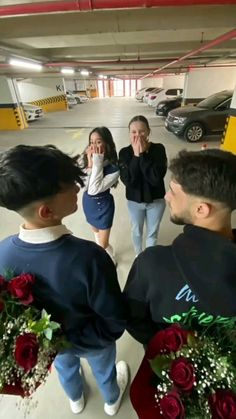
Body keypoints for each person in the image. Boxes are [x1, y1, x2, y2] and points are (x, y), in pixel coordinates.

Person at [0, 145, 129, 416]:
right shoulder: (89, 258)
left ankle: (75, 398)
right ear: (47, 211)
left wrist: (55, 341)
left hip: (52, 347)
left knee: (64, 367)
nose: (77, 188)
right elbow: (114, 320)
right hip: (93, 341)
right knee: (105, 368)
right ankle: (111, 398)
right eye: (70, 185)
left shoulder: (3, 254)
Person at [123, 148, 236, 347]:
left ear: (201, 209)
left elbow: (133, 319)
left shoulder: (152, 264)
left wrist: (167, 352)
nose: (167, 196)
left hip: (172, 368)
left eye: (174, 191)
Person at [119, 115, 167, 256]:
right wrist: (136, 156)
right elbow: (128, 181)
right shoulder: (124, 153)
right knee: (136, 231)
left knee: (152, 232)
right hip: (134, 201)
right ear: (129, 134)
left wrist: (143, 155)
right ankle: (138, 256)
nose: (138, 135)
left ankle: (149, 259)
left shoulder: (158, 150)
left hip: (156, 201)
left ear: (148, 132)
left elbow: (155, 178)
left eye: (142, 131)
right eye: (134, 132)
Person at [81, 127, 119, 264]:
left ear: (107, 144)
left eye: (98, 142)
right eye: (91, 142)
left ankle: (108, 256)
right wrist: (90, 163)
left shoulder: (114, 168)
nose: (93, 146)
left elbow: (94, 189)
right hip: (89, 204)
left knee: (102, 244)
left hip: (103, 206)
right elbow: (84, 187)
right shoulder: (88, 161)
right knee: (96, 234)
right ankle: (108, 255)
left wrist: (97, 161)